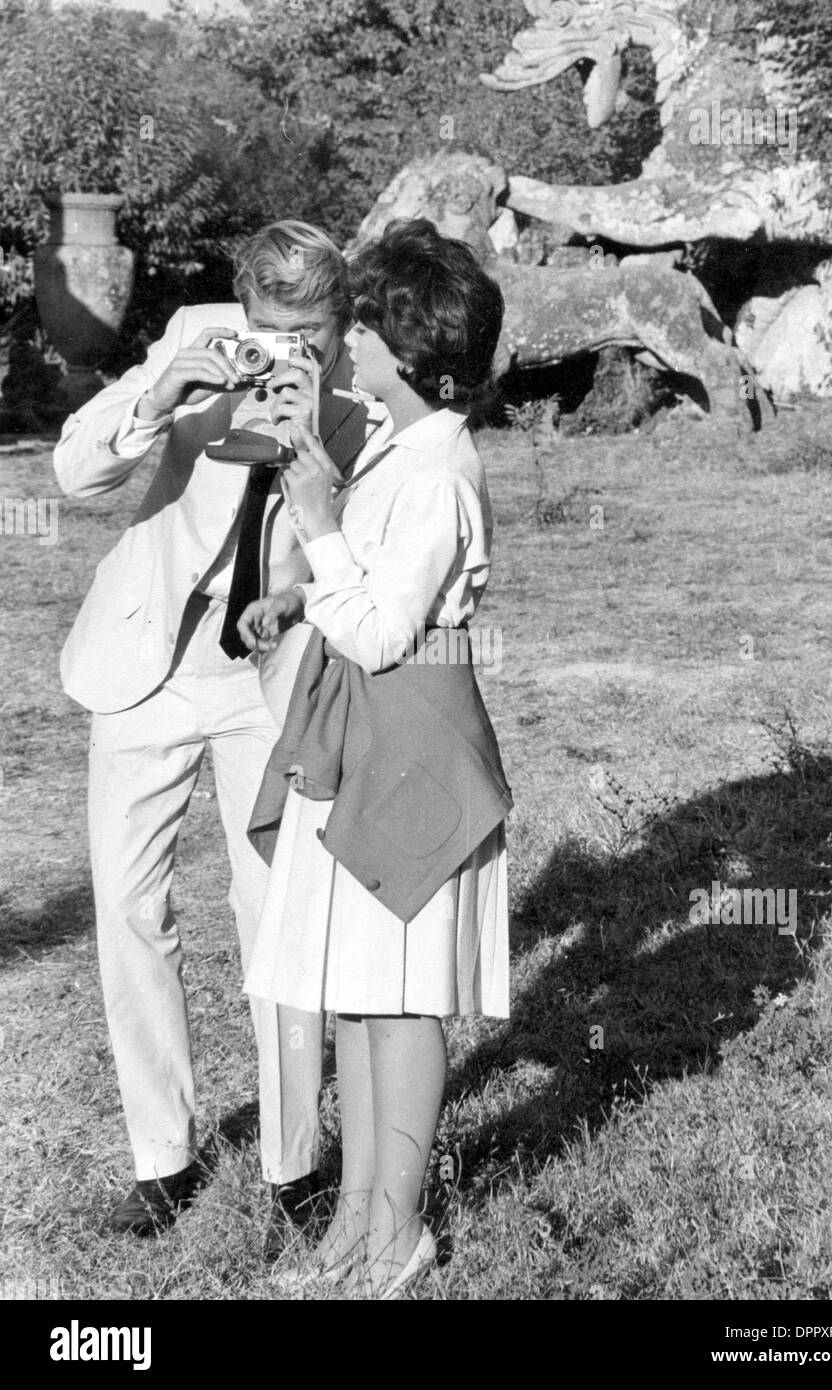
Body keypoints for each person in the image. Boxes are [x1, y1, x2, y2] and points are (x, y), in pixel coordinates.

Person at [53, 221, 373, 1244]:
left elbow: (357, 564)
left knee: (272, 912)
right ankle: (163, 1155)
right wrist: (160, 400)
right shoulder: (191, 340)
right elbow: (76, 475)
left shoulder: (366, 401)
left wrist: (314, 459)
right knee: (130, 908)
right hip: (145, 667)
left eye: (312, 333)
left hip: (264, 679)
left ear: (343, 323)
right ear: (244, 314)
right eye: (273, 329)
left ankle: (293, 1162)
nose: (291, 349)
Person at [236, 217, 512, 1297]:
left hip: (410, 741)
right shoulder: (406, 445)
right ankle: (354, 1226)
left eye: (364, 332)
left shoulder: (437, 468)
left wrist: (314, 522)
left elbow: (389, 630)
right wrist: (300, 587)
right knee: (356, 991)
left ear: (406, 352)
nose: (344, 345)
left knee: (400, 999)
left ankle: (395, 1237)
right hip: (371, 730)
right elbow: (371, 584)